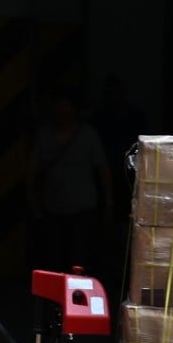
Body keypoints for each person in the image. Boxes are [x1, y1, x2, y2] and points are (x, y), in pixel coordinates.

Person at [27, 86, 112, 274]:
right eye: (58, 106)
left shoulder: (88, 135)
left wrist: (108, 202)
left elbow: (102, 170)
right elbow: (33, 170)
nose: (61, 111)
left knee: (80, 258)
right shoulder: (44, 135)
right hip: (53, 208)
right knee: (53, 258)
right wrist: (33, 200)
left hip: (83, 209)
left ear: (74, 109)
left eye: (65, 106)